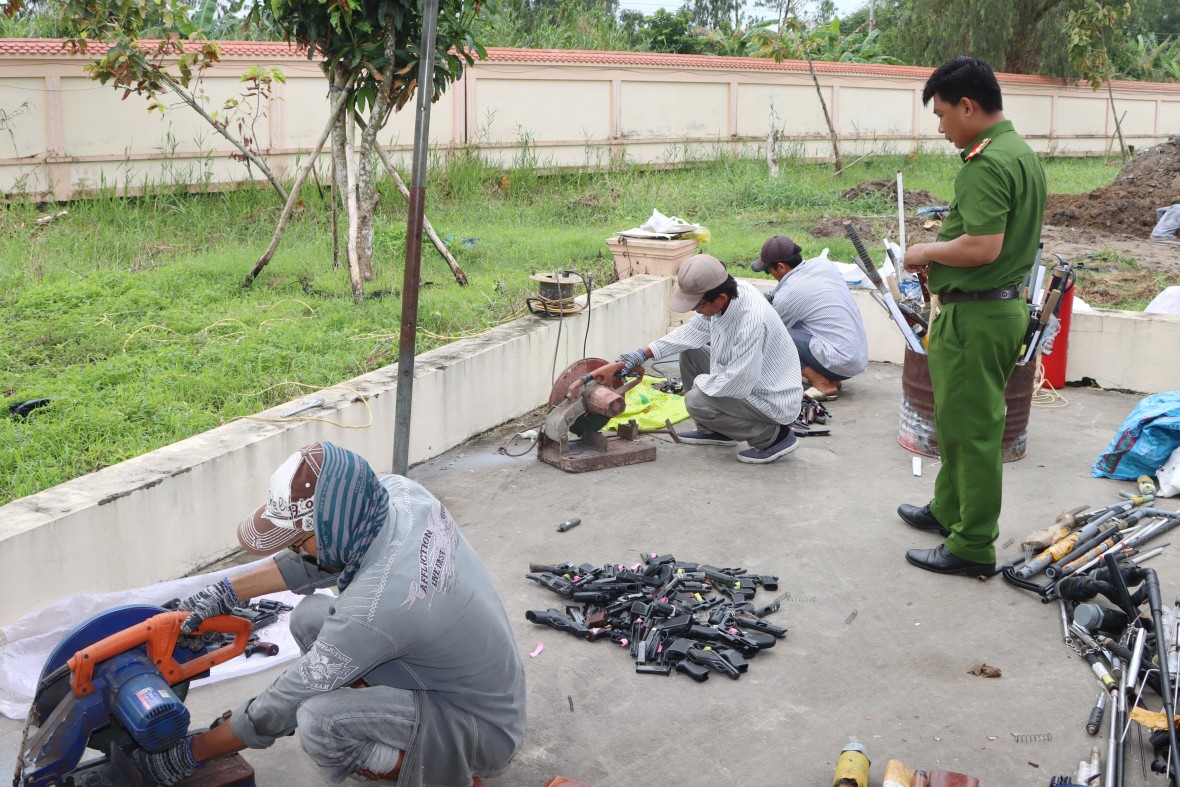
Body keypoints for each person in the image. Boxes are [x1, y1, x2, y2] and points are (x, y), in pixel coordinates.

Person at [133, 442, 526, 786]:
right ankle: (379, 713)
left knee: (319, 720)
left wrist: (195, 751)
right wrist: (227, 590)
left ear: (334, 526)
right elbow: (320, 558)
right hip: (487, 683)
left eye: (299, 539)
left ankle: (441, 773)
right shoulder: (398, 494)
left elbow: (282, 705)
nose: (297, 549)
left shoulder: (376, 606)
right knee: (309, 617)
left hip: (479, 728)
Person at [896, 56, 1047, 577]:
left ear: (968, 105)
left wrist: (924, 252)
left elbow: (982, 246)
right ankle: (948, 510)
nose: (941, 129)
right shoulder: (1019, 152)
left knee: (974, 431)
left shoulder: (987, 162)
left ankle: (973, 545)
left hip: (978, 315)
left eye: (942, 115)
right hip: (993, 309)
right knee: (957, 422)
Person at [593, 253, 803, 464]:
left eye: (698, 306)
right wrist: (642, 354)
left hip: (770, 396)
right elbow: (693, 331)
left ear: (719, 298)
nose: (697, 311)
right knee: (691, 353)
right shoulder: (729, 292)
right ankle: (715, 431)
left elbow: (737, 383)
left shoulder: (752, 321)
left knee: (695, 401)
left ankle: (774, 437)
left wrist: (698, 388)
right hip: (750, 376)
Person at [752, 235, 869, 400]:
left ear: (781, 267)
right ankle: (832, 379)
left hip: (838, 361)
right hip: (854, 357)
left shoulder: (790, 295)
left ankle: (822, 383)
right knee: (798, 325)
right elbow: (774, 296)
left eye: (768, 271)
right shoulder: (822, 264)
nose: (769, 275)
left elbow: (770, 324)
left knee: (768, 333)